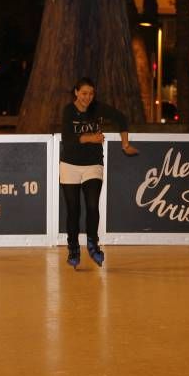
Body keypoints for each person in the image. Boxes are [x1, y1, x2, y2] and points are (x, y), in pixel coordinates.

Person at [60, 77, 139, 269]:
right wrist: (91, 138)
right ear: (76, 93)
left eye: (91, 93)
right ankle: (73, 248)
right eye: (84, 93)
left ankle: (93, 244)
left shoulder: (98, 109)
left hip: (93, 164)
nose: (88, 97)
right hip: (70, 165)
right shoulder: (68, 111)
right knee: (73, 210)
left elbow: (121, 119)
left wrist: (125, 144)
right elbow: (68, 138)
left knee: (92, 205)